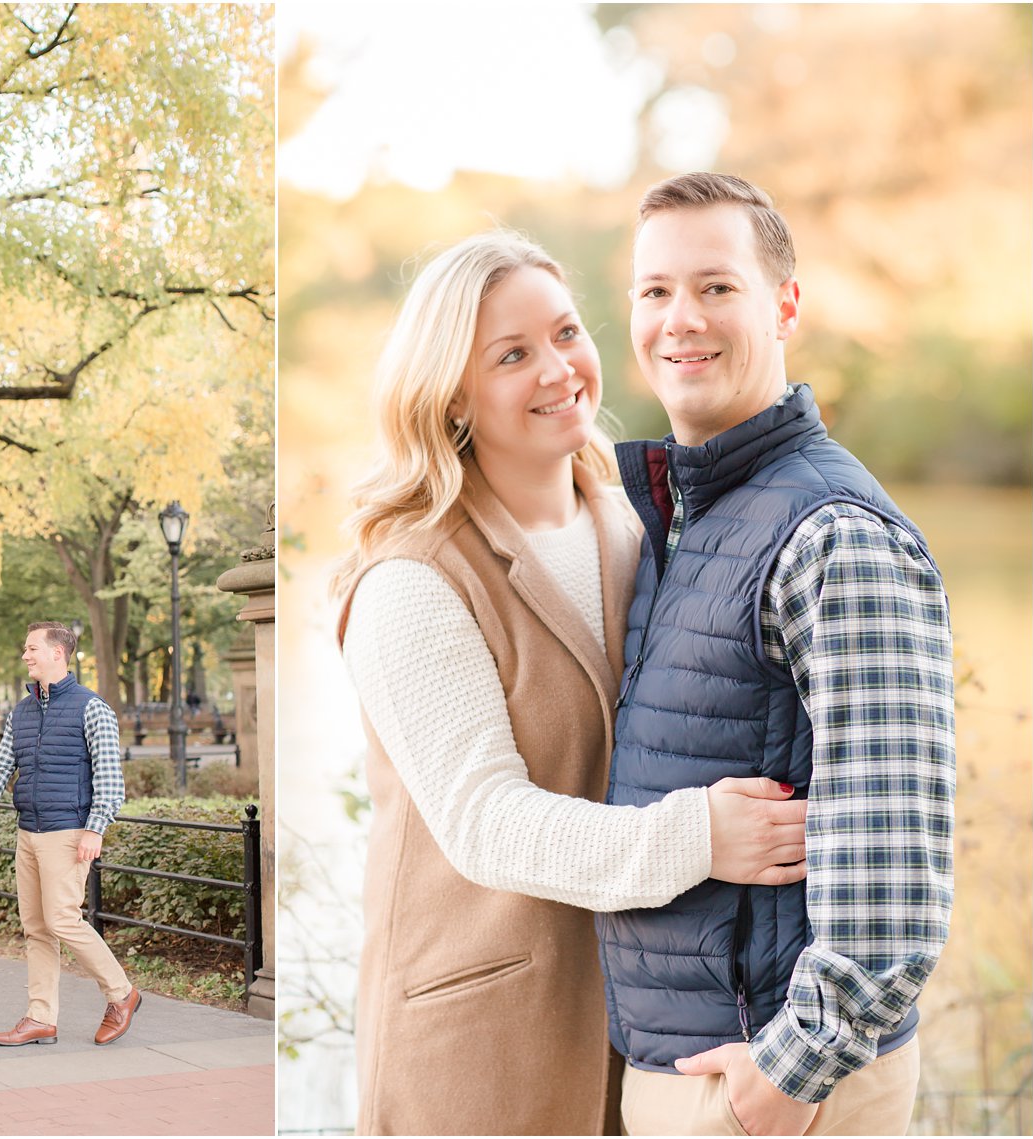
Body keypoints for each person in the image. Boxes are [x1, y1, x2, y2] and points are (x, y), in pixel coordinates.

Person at [332, 230, 811, 1136]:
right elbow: (485, 822)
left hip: (641, 1035)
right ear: (452, 395)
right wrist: (701, 836)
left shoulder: (631, 526)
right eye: (512, 355)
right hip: (482, 1044)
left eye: (564, 333)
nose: (559, 370)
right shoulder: (413, 580)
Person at [601, 172, 955, 1136]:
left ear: (784, 304)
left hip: (774, 1087)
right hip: (695, 1068)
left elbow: (894, 851)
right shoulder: (685, 516)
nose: (682, 319)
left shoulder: (831, 531)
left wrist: (788, 1073)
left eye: (717, 287)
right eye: (656, 290)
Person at [0, 621, 141, 1047]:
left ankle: (121, 994)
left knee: (64, 919)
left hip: (68, 831)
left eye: (32, 649)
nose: (26, 656)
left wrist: (96, 828)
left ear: (57, 654)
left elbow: (109, 777)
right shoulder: (22, 710)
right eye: (25, 649)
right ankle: (40, 1017)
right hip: (28, 831)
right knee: (36, 927)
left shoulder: (92, 708)